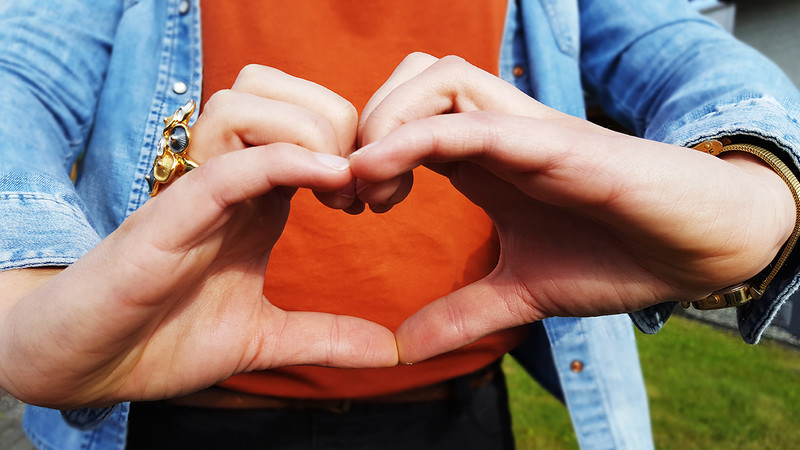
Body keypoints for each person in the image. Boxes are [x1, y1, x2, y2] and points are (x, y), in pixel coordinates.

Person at [1, 1, 797, 449]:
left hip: (456, 417)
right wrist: (27, 286)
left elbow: (683, 49)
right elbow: (19, 76)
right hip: (185, 423)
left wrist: (758, 188)